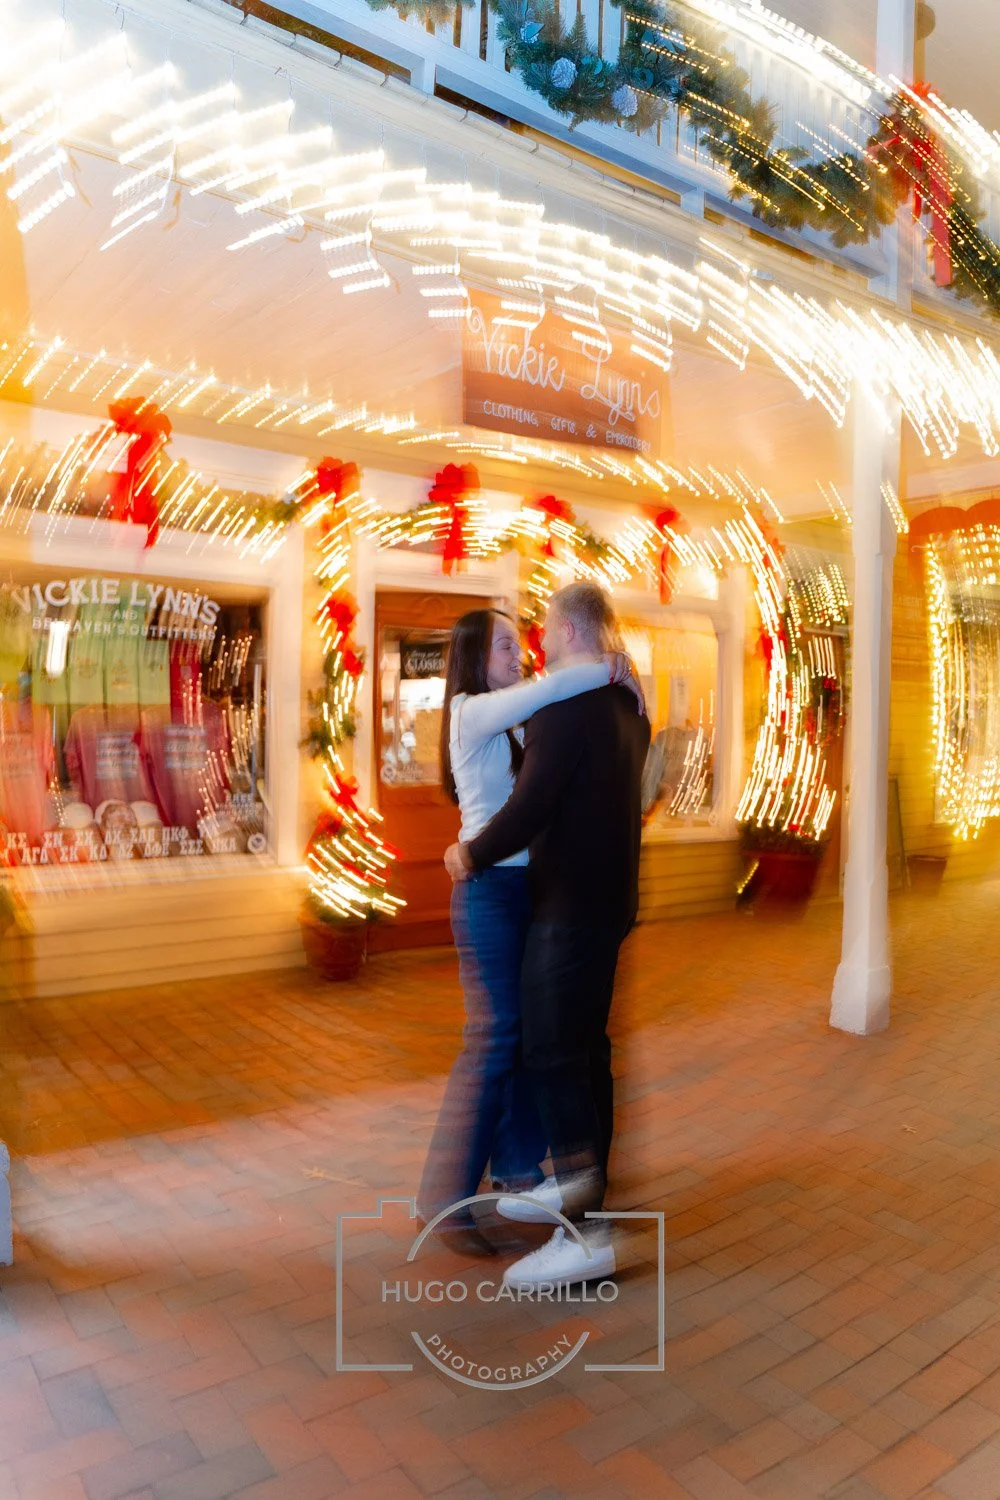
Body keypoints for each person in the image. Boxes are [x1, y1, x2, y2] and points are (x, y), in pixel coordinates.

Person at [419, 606, 643, 1255]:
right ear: (472, 656)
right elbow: (553, 689)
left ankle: (518, 1169)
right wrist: (611, 666)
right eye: (504, 646)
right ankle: (449, 1199)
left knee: (528, 1037)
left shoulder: (512, 716)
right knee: (498, 1040)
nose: (518, 653)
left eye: (521, 642)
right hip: (490, 893)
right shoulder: (471, 709)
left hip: (527, 891)